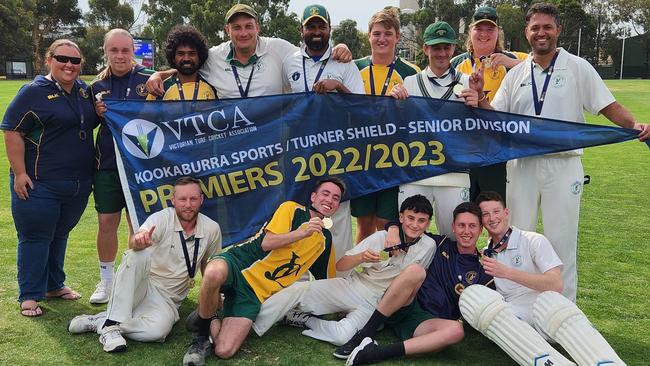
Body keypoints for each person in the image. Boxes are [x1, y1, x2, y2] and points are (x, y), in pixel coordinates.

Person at [478, 2, 650, 302]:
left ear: (558, 30)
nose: (541, 33)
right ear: (526, 32)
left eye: (547, 27)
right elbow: (495, 118)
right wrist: (479, 96)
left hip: (564, 165)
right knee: (515, 236)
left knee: (561, 241)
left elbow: (606, 106)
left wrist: (633, 123)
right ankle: (516, 308)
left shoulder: (577, 67)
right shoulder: (516, 74)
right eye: (535, 28)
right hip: (522, 166)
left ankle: (564, 312)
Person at [182, 177, 344, 365]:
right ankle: (201, 337)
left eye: (336, 198)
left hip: (255, 293)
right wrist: (302, 232)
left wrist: (342, 308)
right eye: (325, 193)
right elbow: (268, 243)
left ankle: (209, 314)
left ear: (337, 206)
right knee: (213, 273)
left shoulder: (325, 240)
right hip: (239, 263)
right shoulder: (291, 209)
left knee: (224, 350)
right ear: (313, 197)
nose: (330, 200)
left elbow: (327, 279)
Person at [458, 191, 624, 366]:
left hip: (548, 313)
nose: (492, 218)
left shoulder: (532, 240)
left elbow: (556, 284)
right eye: (485, 214)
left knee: (550, 300)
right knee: (475, 297)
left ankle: (607, 363)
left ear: (506, 213)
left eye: (496, 211)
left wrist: (507, 272)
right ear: (482, 222)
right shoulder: (486, 254)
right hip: (518, 320)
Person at [68, 177, 222, 353]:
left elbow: (210, 266)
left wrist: (216, 296)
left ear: (201, 199)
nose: (188, 204)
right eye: (182, 199)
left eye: (193, 199)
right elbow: (136, 239)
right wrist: (138, 241)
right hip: (142, 286)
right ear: (173, 200)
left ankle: (101, 321)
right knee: (137, 255)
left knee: (158, 332)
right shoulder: (162, 218)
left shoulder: (212, 229)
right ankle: (110, 327)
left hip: (168, 299)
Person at [261, 195, 437, 346]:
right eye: (410, 218)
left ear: (428, 223)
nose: (415, 225)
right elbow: (341, 265)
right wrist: (361, 257)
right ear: (401, 217)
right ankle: (254, 321)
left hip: (376, 305)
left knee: (343, 337)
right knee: (299, 290)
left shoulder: (429, 246)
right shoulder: (381, 237)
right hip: (352, 287)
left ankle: (305, 319)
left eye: (421, 220)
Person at [2, 39, 97, 317]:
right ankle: (30, 295)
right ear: (49, 60)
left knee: (60, 234)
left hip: (77, 183)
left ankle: (54, 285)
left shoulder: (84, 92)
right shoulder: (33, 92)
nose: (69, 65)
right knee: (35, 237)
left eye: (75, 61)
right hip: (39, 183)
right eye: (62, 59)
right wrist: (20, 173)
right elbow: (12, 131)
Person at [338, 202, 493, 365]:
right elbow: (410, 224)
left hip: (425, 323)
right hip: (404, 303)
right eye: (461, 225)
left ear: (481, 229)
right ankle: (365, 334)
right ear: (453, 227)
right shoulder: (439, 243)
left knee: (456, 331)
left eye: (472, 226)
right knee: (416, 271)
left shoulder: (484, 272)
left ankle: (374, 353)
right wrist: (393, 228)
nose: (466, 231)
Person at [283, 4, 365, 264]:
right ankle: (298, 276)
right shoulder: (290, 62)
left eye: (321, 26)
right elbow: (283, 102)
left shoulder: (345, 62)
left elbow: (362, 108)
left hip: (335, 151)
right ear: (302, 30)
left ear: (330, 30)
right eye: (311, 27)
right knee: (300, 212)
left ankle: (339, 279)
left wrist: (338, 86)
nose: (316, 32)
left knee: (336, 213)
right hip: (301, 151)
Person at [390, 21, 482, 240]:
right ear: (425, 49)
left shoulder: (468, 82)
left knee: (455, 238)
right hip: (416, 174)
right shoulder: (410, 82)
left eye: (446, 47)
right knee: (408, 238)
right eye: (436, 47)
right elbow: (398, 127)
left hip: (454, 175)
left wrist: (480, 102)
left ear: (453, 49)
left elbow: (481, 129)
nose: (442, 53)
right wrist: (394, 103)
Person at [146, 3, 351, 99]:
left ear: (258, 28)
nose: (243, 33)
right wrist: (159, 74)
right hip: (233, 151)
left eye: (248, 26)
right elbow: (188, 65)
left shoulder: (278, 48)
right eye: (236, 27)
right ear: (227, 30)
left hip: (273, 147)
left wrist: (339, 47)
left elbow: (312, 56)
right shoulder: (215, 56)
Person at [89, 28, 155, 304]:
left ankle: (137, 278)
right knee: (106, 222)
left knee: (138, 224)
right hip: (107, 165)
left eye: (125, 50)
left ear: (133, 52)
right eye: (113, 50)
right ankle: (106, 280)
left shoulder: (148, 80)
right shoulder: (95, 87)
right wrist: (95, 112)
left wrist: (160, 76)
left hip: (141, 165)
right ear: (105, 52)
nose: (119, 55)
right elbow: (85, 123)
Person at [351, 7, 420, 243]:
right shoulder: (353, 68)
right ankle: (361, 276)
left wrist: (405, 104)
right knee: (364, 223)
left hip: (393, 159)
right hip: (361, 158)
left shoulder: (411, 73)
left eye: (388, 34)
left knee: (386, 223)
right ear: (368, 35)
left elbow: (419, 118)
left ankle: (383, 276)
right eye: (377, 33)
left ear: (397, 37)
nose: (382, 39)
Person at [450, 6, 528, 203]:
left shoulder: (515, 60)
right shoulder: (457, 63)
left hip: (500, 152)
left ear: (498, 32)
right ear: (470, 31)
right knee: (466, 215)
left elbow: (545, 65)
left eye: (490, 29)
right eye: (479, 29)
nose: (484, 34)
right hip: (465, 151)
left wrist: (511, 64)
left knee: (496, 214)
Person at [147, 25, 217, 101]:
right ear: (173, 57)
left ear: (199, 57)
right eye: (181, 54)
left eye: (192, 53)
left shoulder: (213, 85)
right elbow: (147, 112)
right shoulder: (160, 88)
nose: (186, 58)